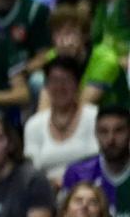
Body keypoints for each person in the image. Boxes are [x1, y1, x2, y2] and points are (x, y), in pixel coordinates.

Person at [23, 56, 100, 184]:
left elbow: (103, 164)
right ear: (46, 86)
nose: (60, 87)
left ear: (78, 84)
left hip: (90, 189)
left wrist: (68, 182)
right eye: (54, 80)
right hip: (48, 193)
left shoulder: (94, 117)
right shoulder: (34, 124)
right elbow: (31, 173)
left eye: (66, 80)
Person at [59, 104, 130, 213]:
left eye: (119, 131)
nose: (111, 139)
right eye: (103, 131)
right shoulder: (77, 174)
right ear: (96, 134)